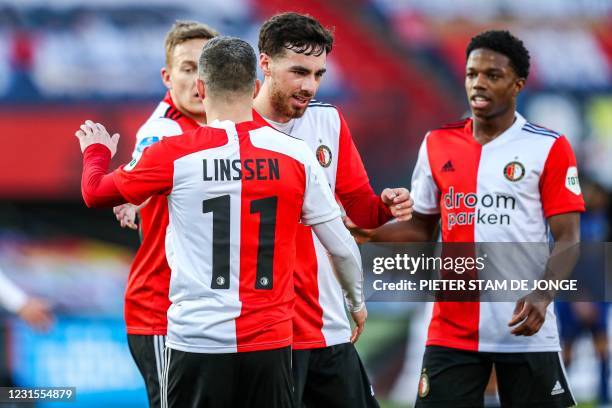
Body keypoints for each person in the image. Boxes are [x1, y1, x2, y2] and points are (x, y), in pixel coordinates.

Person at [75, 36, 367, 408]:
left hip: (196, 340)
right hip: (269, 343)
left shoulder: (173, 153)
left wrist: (96, 151)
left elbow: (95, 192)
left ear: (201, 87)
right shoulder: (295, 154)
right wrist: (355, 302)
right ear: (256, 87)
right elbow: (340, 244)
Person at [358, 30, 584, 407]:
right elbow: (420, 228)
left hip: (524, 327)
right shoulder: (437, 143)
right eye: (471, 74)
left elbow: (569, 237)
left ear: (517, 84)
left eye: (492, 75)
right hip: (451, 329)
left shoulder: (548, 147)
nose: (478, 83)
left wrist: (543, 296)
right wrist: (365, 231)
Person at [252, 12, 413, 407]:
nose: (310, 86)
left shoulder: (328, 122)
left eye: (318, 74)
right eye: (299, 72)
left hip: (325, 320)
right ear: (266, 63)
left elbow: (360, 207)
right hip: (261, 329)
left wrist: (386, 206)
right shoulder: (231, 129)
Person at [111, 20, 217, 408]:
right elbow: (147, 151)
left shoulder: (222, 123)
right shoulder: (163, 129)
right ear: (167, 76)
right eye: (188, 69)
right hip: (163, 311)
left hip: (210, 309)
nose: (198, 80)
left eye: (207, 68)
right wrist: (133, 195)